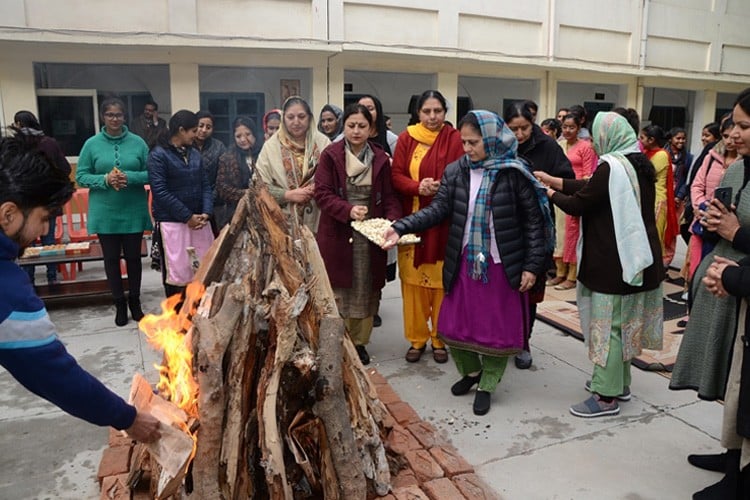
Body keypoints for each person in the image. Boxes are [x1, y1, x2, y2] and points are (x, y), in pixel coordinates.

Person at [383, 110, 548, 415]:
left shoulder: (514, 171)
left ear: (491, 139)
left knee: (496, 333)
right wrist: (401, 226)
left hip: (502, 265)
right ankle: (471, 373)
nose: (467, 149)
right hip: (466, 262)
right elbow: (438, 209)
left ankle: (487, 384)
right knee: (453, 327)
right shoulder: (457, 171)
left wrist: (532, 266)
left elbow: (535, 224)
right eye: (464, 142)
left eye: (473, 143)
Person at [0, 134, 160, 445]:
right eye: (44, 219)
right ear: (8, 214)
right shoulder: (8, 291)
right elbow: (54, 374)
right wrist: (127, 418)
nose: (46, 231)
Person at [535, 112, 664, 417]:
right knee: (624, 325)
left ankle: (605, 398)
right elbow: (589, 187)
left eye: (594, 136)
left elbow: (581, 202)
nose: (591, 142)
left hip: (613, 264)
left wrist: (548, 192)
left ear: (610, 136)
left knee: (609, 331)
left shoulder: (612, 167)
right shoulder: (636, 163)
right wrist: (556, 181)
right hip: (638, 260)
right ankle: (619, 384)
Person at [314, 104, 402, 365]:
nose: (356, 131)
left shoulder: (380, 157)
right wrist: (348, 209)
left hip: (370, 230)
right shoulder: (330, 155)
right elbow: (322, 193)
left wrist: (393, 221)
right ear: (344, 127)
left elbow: (389, 196)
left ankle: (361, 343)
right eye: (351, 125)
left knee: (366, 288)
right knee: (340, 288)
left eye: (362, 126)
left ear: (371, 129)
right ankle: (340, 342)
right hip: (340, 229)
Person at [391, 90, 464, 364]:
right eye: (427, 111)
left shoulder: (456, 139)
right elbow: (395, 176)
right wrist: (417, 187)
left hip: (446, 222)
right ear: (418, 113)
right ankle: (417, 339)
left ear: (445, 112)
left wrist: (443, 188)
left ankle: (440, 338)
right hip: (414, 220)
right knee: (412, 284)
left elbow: (464, 174)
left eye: (438, 111)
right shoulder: (407, 138)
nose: (433, 117)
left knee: (442, 284)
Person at [504, 100, 574, 369]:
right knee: (505, 288)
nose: (519, 135)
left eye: (524, 128)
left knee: (530, 289)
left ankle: (524, 342)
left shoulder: (547, 146)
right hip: (506, 226)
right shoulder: (500, 145)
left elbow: (566, 179)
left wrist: (547, 181)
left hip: (537, 228)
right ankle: (503, 338)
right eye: (513, 129)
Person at [76, 97, 152, 326]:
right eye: (110, 115)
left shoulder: (138, 143)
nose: (115, 119)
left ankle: (135, 302)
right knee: (111, 260)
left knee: (134, 260)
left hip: (133, 210)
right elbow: (81, 176)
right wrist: (105, 179)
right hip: (105, 211)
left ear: (125, 117)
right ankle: (119, 303)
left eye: (118, 115)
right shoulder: (91, 144)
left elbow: (151, 173)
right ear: (103, 117)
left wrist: (130, 177)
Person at [148, 110, 214, 298]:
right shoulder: (158, 154)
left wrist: (206, 213)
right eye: (194, 130)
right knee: (177, 276)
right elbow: (160, 191)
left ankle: (197, 318)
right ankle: (177, 321)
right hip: (173, 224)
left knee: (201, 272)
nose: (197, 134)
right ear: (181, 130)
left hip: (199, 222)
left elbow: (205, 185)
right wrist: (187, 216)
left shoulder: (194, 154)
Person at [12, 110, 71, 286]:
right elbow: (65, 169)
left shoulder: (19, 144)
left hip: (26, 202)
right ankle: (52, 277)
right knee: (49, 242)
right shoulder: (49, 143)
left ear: (20, 124)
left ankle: (29, 280)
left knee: (27, 241)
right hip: (48, 200)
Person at [256, 96, 330, 233]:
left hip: (320, 218)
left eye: (301, 116)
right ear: (283, 119)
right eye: (290, 117)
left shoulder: (323, 143)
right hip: (282, 221)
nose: (296, 122)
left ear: (310, 118)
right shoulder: (271, 147)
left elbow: (335, 177)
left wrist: (317, 188)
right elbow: (258, 185)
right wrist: (287, 194)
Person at [547, 111, 598, 290]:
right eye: (565, 127)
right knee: (559, 234)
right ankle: (559, 272)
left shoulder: (586, 147)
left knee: (572, 234)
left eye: (572, 127)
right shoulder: (558, 145)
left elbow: (587, 175)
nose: (568, 130)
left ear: (579, 128)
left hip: (575, 193)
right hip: (557, 191)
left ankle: (572, 275)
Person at [686, 119, 740, 280]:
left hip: (726, 226)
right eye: (725, 136)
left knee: (717, 270)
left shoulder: (743, 163)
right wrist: (700, 206)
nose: (730, 141)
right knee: (696, 269)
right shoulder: (712, 156)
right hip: (702, 220)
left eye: (733, 136)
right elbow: (697, 185)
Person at [640, 124, 679, 267]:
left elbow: (647, 172)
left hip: (657, 199)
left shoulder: (661, 154)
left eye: (642, 138)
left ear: (651, 140)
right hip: (648, 197)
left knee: (654, 236)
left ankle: (655, 268)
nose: (640, 140)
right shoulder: (647, 153)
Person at [214, 116, 262, 229]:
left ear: (254, 133)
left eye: (248, 134)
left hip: (263, 213)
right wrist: (247, 194)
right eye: (238, 136)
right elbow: (222, 188)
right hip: (235, 215)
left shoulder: (264, 154)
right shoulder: (227, 158)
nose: (243, 139)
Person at [193, 110, 227, 199]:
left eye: (208, 127)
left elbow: (222, 179)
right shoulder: (186, 145)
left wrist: (210, 199)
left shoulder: (219, 147)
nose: (204, 130)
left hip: (214, 199)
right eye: (200, 126)